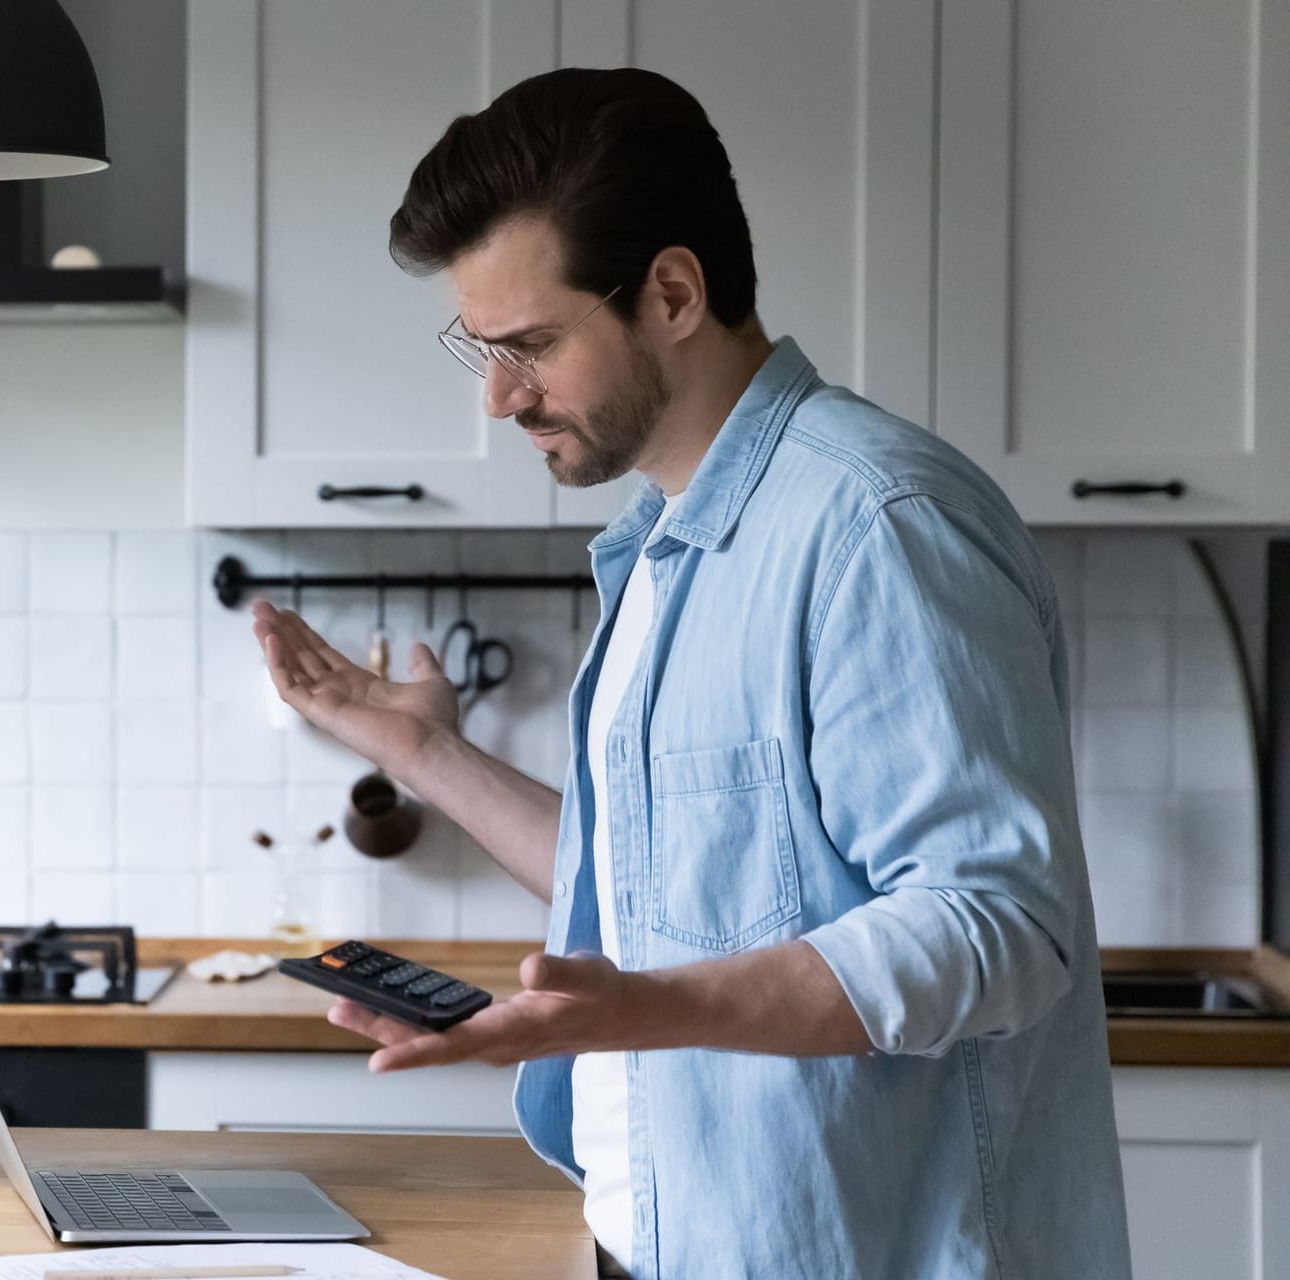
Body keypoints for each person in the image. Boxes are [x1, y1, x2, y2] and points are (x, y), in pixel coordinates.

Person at [250, 68, 1132, 1278]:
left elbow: (998, 926)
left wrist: (643, 1008)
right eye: (481, 348)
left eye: (533, 345)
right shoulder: (668, 550)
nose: (501, 396)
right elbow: (661, 887)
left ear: (671, 291)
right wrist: (420, 750)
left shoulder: (879, 523)